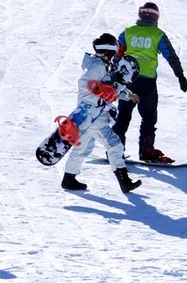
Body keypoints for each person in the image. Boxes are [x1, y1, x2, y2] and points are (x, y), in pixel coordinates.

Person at [58, 34, 142, 193]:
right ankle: (124, 182)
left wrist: (127, 94)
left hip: (91, 114)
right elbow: (84, 84)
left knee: (83, 147)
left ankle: (69, 179)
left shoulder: (103, 65)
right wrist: (98, 89)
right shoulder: (97, 66)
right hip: (93, 114)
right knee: (115, 145)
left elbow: (111, 88)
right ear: (109, 50)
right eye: (115, 51)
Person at [113, 2, 187, 163]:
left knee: (123, 116)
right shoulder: (157, 34)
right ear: (156, 16)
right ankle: (146, 150)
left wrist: (113, 76)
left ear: (140, 14)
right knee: (148, 117)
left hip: (127, 81)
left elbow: (117, 55)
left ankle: (115, 150)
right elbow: (171, 55)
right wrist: (180, 75)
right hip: (147, 83)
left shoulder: (128, 32)